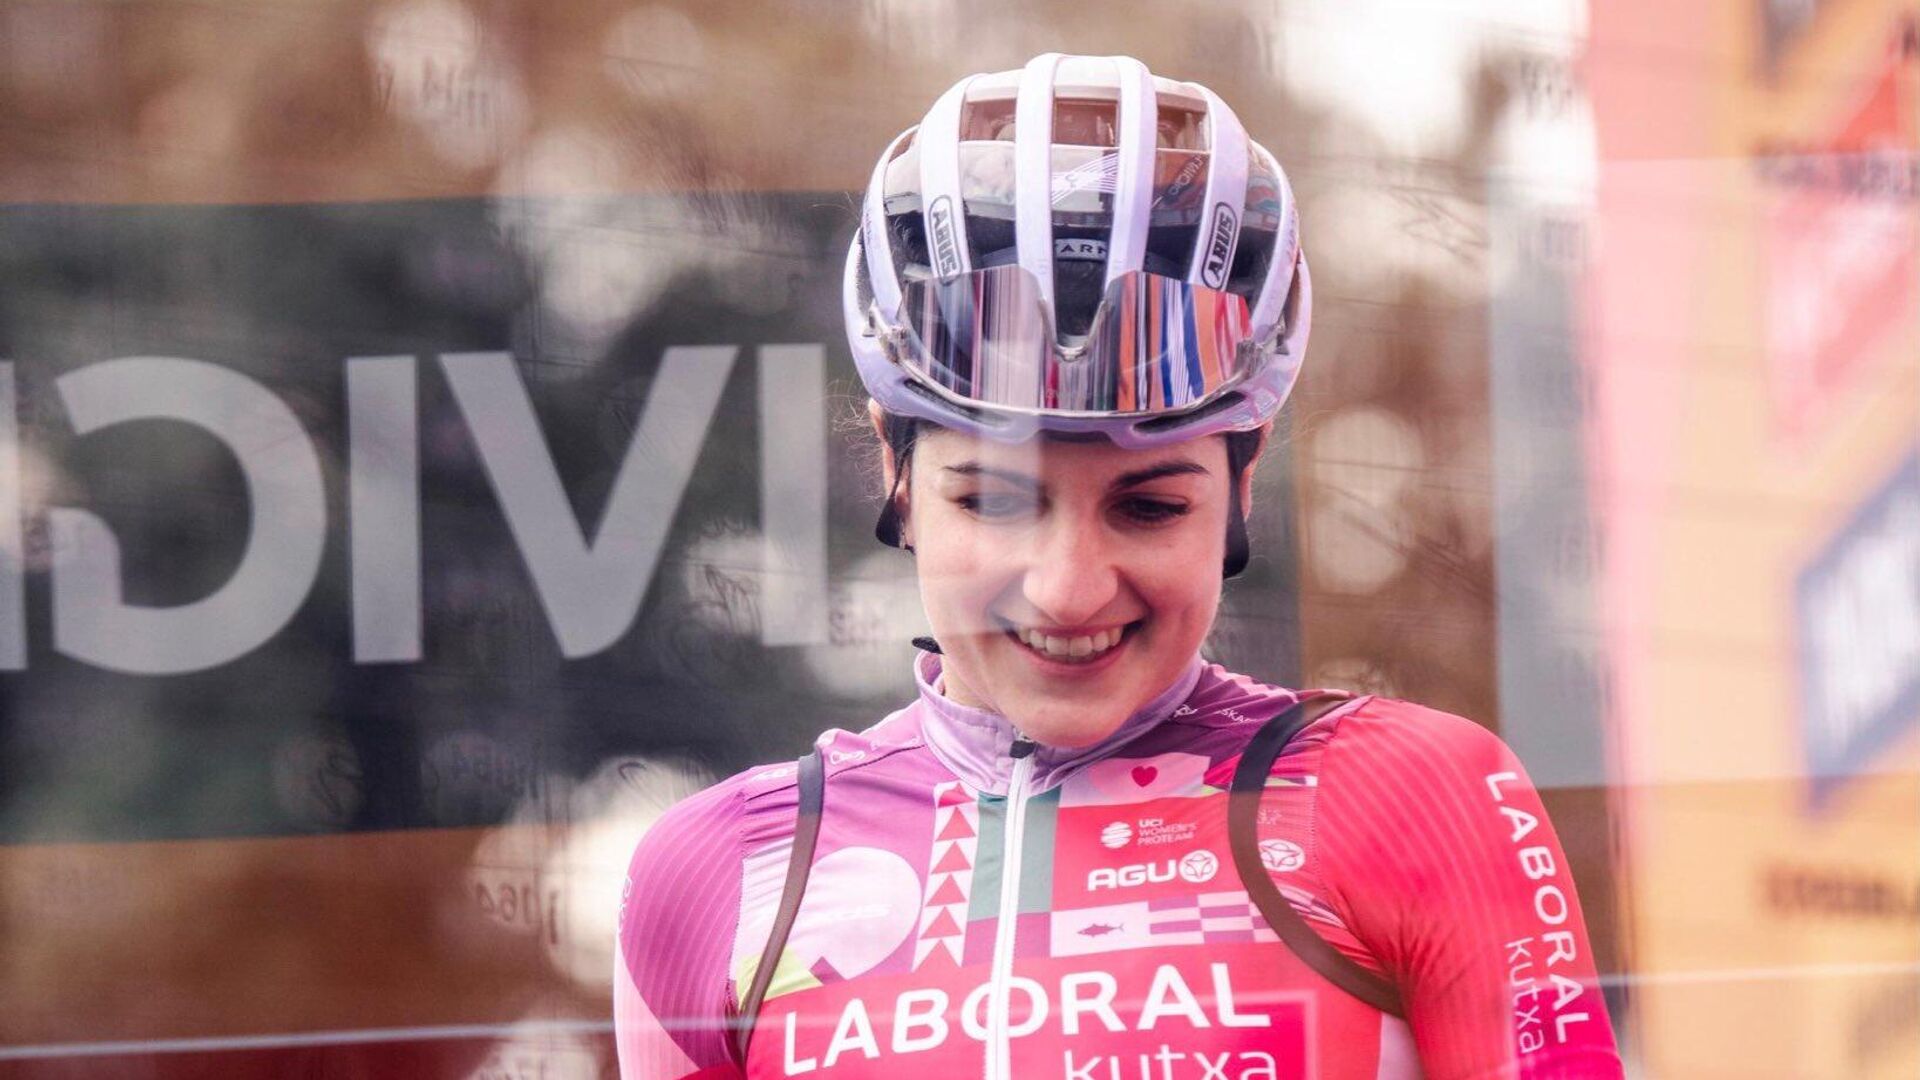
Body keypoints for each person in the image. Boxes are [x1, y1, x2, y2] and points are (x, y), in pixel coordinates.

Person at [615, 54, 1623, 1079]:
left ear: (1241, 483)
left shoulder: (1409, 796)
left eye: (1149, 507)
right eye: (994, 501)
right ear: (896, 472)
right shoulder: (723, 871)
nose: (1068, 588)